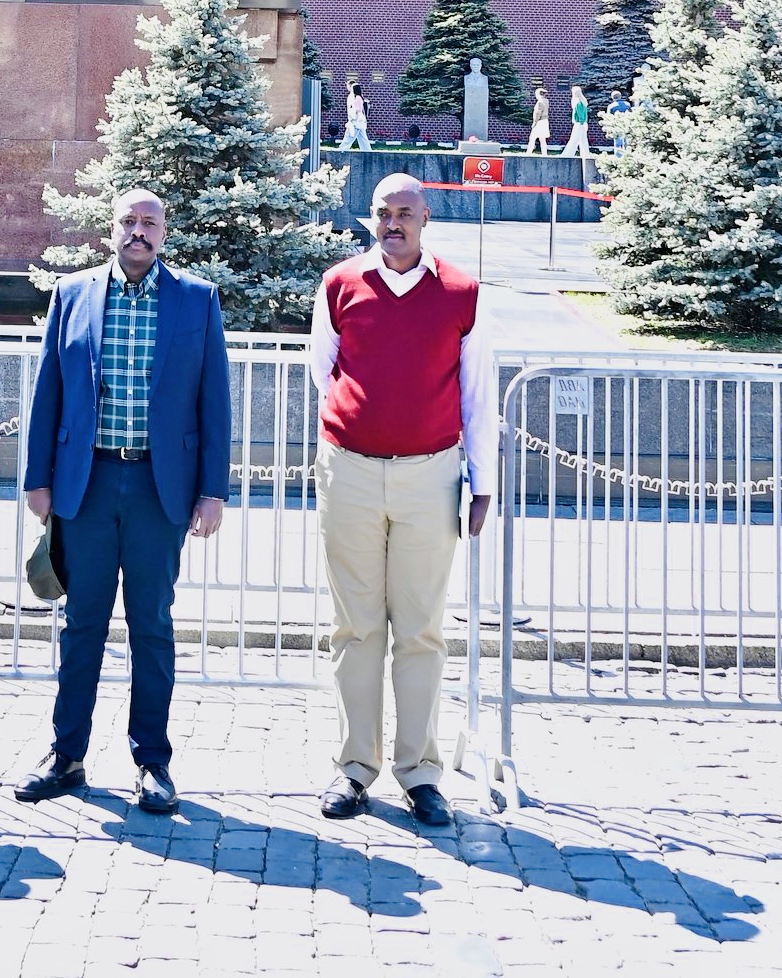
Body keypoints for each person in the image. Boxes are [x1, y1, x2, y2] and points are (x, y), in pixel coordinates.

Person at [14, 188, 230, 814]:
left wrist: (212, 490)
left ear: (165, 232)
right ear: (110, 231)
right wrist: (38, 478)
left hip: (160, 491)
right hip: (87, 484)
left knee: (152, 626)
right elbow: (47, 390)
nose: (139, 232)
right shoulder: (74, 294)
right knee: (81, 623)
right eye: (128, 222)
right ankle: (66, 754)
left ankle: (152, 762)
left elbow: (214, 402)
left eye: (150, 223)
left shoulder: (195, 298)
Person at [309, 173, 496, 825]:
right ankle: (354, 767)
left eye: (406, 214)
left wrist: (483, 482)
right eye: (383, 213)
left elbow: (476, 396)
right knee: (354, 628)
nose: (394, 224)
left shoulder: (460, 293)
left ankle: (418, 772)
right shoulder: (338, 284)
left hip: (430, 476)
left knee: (418, 630)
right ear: (371, 219)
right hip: (350, 474)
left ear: (424, 220)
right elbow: (323, 369)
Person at [338, 81, 373, 152]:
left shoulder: (357, 98)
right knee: (363, 138)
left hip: (356, 121)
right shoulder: (359, 97)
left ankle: (342, 149)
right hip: (359, 122)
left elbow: (359, 109)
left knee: (350, 135)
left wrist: (352, 109)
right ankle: (367, 151)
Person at [560, 86, 592, 159]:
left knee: (574, 139)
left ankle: (568, 154)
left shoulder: (577, 102)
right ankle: (586, 154)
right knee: (583, 140)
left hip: (579, 123)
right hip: (583, 123)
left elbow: (580, 114)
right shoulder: (583, 101)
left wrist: (581, 122)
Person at [527, 88, 551, 155]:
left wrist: (534, 122)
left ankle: (529, 152)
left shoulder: (539, 102)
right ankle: (544, 153)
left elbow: (538, 113)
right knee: (543, 139)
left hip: (539, 122)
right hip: (545, 121)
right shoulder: (546, 101)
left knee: (532, 137)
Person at [607, 90, 631, 155]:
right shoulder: (627, 105)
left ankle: (618, 156)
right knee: (626, 142)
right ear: (620, 96)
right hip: (626, 125)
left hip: (616, 126)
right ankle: (627, 155)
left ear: (613, 98)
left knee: (617, 143)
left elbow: (609, 118)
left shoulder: (611, 106)